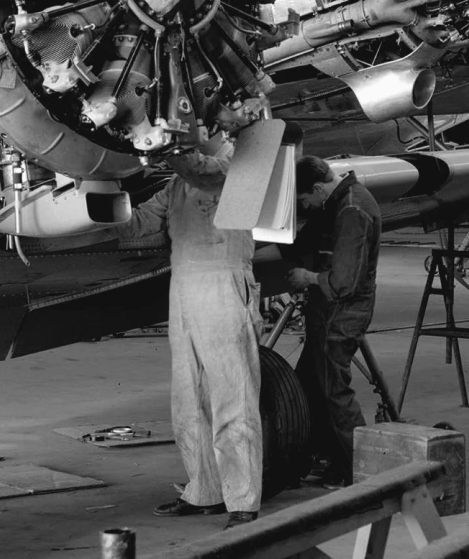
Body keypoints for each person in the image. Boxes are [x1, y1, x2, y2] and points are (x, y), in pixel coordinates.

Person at [125, 140, 264, 526]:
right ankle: (204, 491)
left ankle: (243, 500)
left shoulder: (239, 162)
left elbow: (201, 170)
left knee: (231, 395)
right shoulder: (175, 186)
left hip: (223, 281)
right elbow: (136, 224)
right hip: (183, 287)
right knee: (189, 397)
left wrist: (158, 140)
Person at [287, 156, 381, 487]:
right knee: (311, 382)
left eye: (302, 201)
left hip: (342, 314)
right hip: (328, 312)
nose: (304, 208)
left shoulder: (352, 209)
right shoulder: (338, 201)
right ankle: (324, 453)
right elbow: (305, 241)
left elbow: (344, 282)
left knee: (334, 390)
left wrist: (307, 276)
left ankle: (356, 467)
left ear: (315, 188)